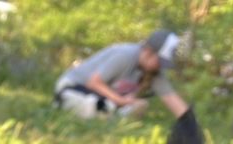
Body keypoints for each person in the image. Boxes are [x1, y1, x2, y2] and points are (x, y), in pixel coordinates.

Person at [54, 29, 190, 120]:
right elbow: (93, 82)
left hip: (101, 98)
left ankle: (110, 116)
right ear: (149, 52)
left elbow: (173, 100)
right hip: (73, 87)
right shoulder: (126, 55)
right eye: (160, 62)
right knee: (99, 105)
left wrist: (190, 124)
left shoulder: (153, 72)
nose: (161, 66)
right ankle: (105, 115)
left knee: (139, 105)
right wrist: (121, 101)